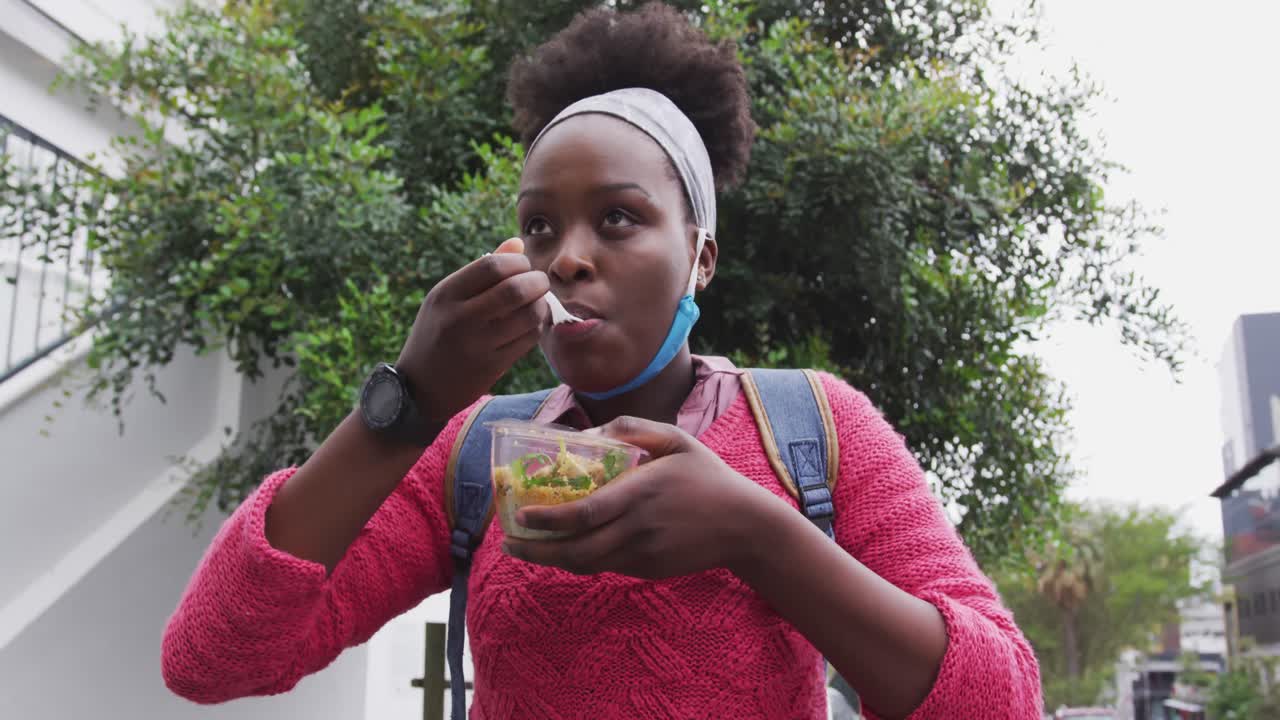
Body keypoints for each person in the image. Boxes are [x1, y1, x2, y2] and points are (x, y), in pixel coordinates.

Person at [160, 3, 1043, 718]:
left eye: (618, 217)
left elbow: (1003, 698)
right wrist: (408, 405)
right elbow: (212, 659)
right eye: (539, 225)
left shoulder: (813, 430)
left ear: (700, 256)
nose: (566, 257)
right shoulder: (477, 453)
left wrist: (759, 535)